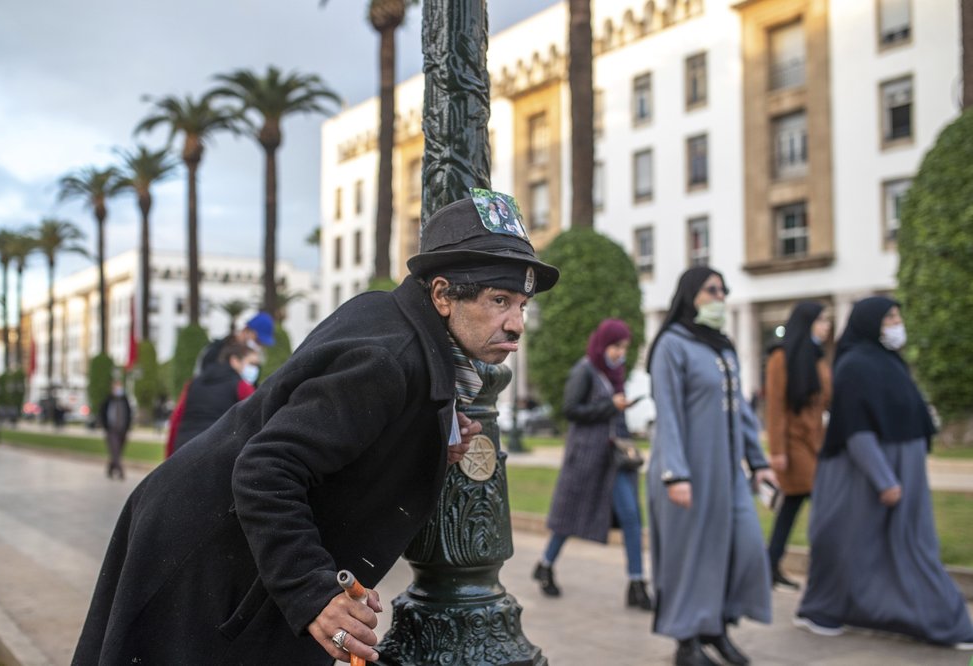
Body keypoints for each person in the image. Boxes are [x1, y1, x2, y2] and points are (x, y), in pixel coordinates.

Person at [71, 191, 560, 665]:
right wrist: (314, 593)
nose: (516, 324)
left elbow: (349, 434)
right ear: (442, 295)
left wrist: (428, 441)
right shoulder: (387, 360)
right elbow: (266, 469)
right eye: (500, 300)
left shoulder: (395, 323)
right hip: (203, 550)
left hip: (215, 533)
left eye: (521, 305)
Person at [794, 297, 973, 649]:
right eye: (889, 317)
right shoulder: (854, 366)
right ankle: (947, 623)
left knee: (897, 547)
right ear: (870, 321)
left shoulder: (888, 362)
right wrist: (884, 479)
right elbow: (857, 429)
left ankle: (835, 610)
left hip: (898, 471)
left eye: (896, 316)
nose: (896, 322)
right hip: (865, 476)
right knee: (859, 547)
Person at [645, 266, 775, 666]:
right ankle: (687, 641)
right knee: (689, 558)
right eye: (711, 290)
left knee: (745, 549)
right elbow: (667, 413)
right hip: (685, 472)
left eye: (723, 291)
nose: (720, 297)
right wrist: (676, 474)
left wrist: (759, 462)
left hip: (729, 475)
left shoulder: (723, 347)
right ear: (690, 295)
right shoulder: (671, 345)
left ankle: (716, 626)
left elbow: (742, 414)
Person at [532, 318, 652, 611]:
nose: (619, 352)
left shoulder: (616, 375)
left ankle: (637, 584)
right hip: (586, 458)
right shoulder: (584, 370)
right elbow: (571, 410)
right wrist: (612, 406)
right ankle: (545, 564)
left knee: (631, 517)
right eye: (615, 345)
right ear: (603, 343)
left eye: (624, 346)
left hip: (615, 460)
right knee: (569, 516)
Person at [764, 302, 831, 590]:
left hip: (815, 442)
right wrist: (777, 450)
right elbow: (775, 407)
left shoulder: (817, 358)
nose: (826, 326)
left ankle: (770, 563)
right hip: (793, 445)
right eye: (821, 320)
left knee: (790, 507)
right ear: (807, 323)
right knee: (824, 506)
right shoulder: (781, 358)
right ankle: (826, 570)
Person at [165, 342, 260, 457]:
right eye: (252, 363)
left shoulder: (194, 383)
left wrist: (169, 457)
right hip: (214, 453)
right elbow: (257, 419)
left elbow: (176, 419)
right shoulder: (242, 386)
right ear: (234, 361)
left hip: (183, 449)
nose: (255, 369)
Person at [196, 311, 275, 375]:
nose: (258, 346)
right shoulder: (215, 351)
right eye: (257, 340)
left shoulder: (252, 359)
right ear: (246, 331)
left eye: (262, 343)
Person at [99, 380, 132, 480]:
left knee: (117, 451)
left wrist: (127, 428)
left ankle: (111, 468)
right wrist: (105, 427)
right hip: (112, 430)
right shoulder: (108, 400)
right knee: (115, 450)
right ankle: (121, 471)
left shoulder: (125, 400)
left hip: (122, 430)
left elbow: (129, 414)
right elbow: (102, 413)